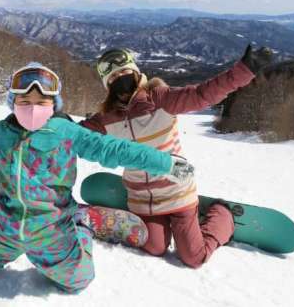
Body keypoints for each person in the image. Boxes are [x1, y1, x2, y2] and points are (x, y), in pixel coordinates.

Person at [0, 62, 194, 293]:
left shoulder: (67, 133)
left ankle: (81, 222)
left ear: (54, 105)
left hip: (53, 229)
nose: (33, 108)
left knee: (78, 281)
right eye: (24, 102)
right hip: (5, 226)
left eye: (41, 102)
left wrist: (165, 162)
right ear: (13, 103)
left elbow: (117, 149)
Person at [80, 45, 270, 268]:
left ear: (135, 72)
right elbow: (76, 134)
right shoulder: (106, 119)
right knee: (154, 248)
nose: (121, 78)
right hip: (142, 199)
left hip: (176, 191)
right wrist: (51, 119)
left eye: (124, 71)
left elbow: (202, 94)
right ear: (108, 85)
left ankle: (222, 215)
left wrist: (244, 70)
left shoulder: (159, 99)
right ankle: (177, 228)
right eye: (113, 76)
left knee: (193, 258)